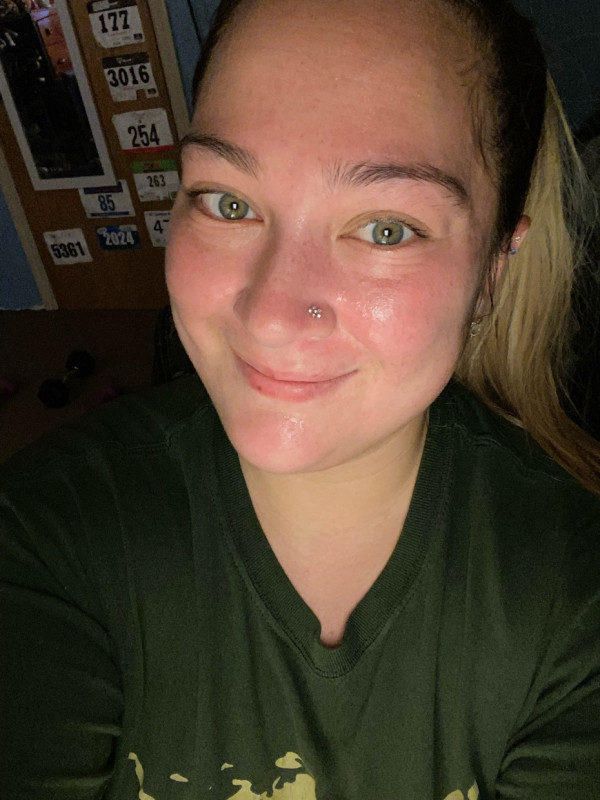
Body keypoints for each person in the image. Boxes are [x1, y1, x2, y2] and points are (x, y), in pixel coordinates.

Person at [2, 0, 600, 797]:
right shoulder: (43, 542)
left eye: (385, 228)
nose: (271, 315)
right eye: (229, 202)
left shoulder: (573, 600)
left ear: (493, 270)